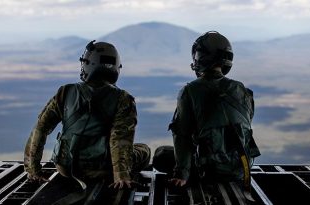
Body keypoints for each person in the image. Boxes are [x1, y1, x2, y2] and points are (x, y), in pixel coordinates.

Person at [24, 40, 151, 191]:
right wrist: (121, 176)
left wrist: (33, 170)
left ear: (87, 63)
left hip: (65, 167)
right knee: (144, 150)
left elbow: (40, 129)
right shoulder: (123, 99)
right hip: (102, 169)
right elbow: (120, 139)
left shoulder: (64, 92)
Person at [168, 31, 260, 189]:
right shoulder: (243, 90)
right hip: (242, 169)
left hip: (209, 171)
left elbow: (182, 136)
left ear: (201, 57)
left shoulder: (189, 91)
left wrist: (182, 174)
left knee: (162, 155)